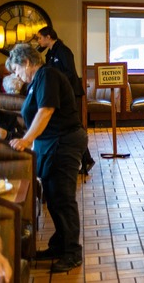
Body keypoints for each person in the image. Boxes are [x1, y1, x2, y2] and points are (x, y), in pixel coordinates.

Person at [7, 43, 88, 273]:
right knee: (53, 197)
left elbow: (46, 111)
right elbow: (31, 115)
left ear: (26, 62)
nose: (17, 76)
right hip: (52, 144)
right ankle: (60, 245)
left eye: (16, 70)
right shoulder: (37, 81)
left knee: (63, 197)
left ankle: (72, 253)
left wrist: (26, 140)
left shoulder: (47, 75)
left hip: (65, 142)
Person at [36, 26, 94, 175]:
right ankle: (85, 159)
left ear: (48, 37)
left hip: (70, 93)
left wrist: (58, 85)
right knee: (69, 126)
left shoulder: (63, 51)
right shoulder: (49, 54)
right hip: (59, 94)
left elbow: (70, 73)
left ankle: (86, 159)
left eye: (40, 38)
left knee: (74, 125)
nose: (38, 41)